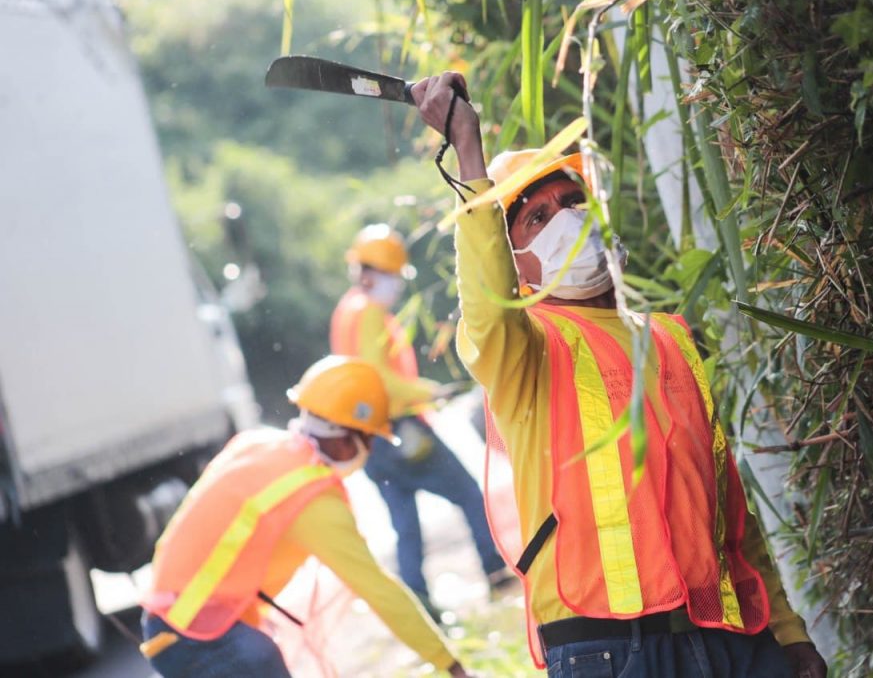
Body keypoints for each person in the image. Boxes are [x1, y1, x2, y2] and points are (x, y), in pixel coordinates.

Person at [409, 72, 829, 678]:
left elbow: (727, 511)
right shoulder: (525, 351)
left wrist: (787, 631)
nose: (565, 219)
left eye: (572, 202)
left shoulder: (671, 339)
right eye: (536, 218)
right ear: (515, 264)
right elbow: (488, 304)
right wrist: (468, 154)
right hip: (605, 651)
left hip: (729, 638)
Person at [138, 355, 472, 678]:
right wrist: (451, 665)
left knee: (258, 653)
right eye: (368, 438)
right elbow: (379, 590)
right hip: (195, 635)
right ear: (345, 437)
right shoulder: (311, 498)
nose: (369, 450)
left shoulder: (258, 444)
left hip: (168, 621)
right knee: (257, 657)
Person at [330, 224, 515, 619]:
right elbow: (377, 376)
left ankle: (419, 605)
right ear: (371, 273)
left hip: (370, 437)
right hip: (401, 428)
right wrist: (428, 391)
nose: (395, 283)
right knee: (468, 494)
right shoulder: (368, 312)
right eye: (391, 274)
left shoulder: (347, 310)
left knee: (405, 526)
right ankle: (496, 572)